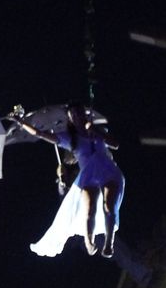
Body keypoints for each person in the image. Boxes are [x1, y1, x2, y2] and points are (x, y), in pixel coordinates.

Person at [17, 104, 124, 258]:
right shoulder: (69, 138)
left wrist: (96, 130)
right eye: (73, 115)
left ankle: (109, 243)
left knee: (109, 207)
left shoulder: (96, 130)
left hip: (108, 169)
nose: (77, 117)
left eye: (79, 113)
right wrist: (21, 121)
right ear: (70, 119)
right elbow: (40, 133)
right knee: (89, 211)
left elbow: (115, 144)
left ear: (84, 115)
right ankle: (89, 241)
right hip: (89, 175)